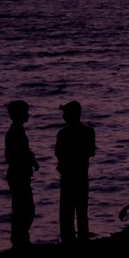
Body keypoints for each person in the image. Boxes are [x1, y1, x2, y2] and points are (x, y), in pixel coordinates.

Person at [55, 100, 96, 243]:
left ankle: (67, 240)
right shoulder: (89, 132)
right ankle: (83, 238)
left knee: (66, 211)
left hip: (67, 176)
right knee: (82, 210)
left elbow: (58, 153)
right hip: (82, 175)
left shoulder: (62, 134)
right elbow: (91, 152)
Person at [4, 100, 39, 248]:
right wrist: (30, 161)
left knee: (23, 208)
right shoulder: (15, 132)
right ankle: (20, 239)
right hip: (18, 175)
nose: (28, 114)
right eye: (25, 112)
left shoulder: (17, 131)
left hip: (19, 174)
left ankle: (20, 238)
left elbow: (23, 151)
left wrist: (32, 161)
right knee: (24, 208)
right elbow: (14, 155)